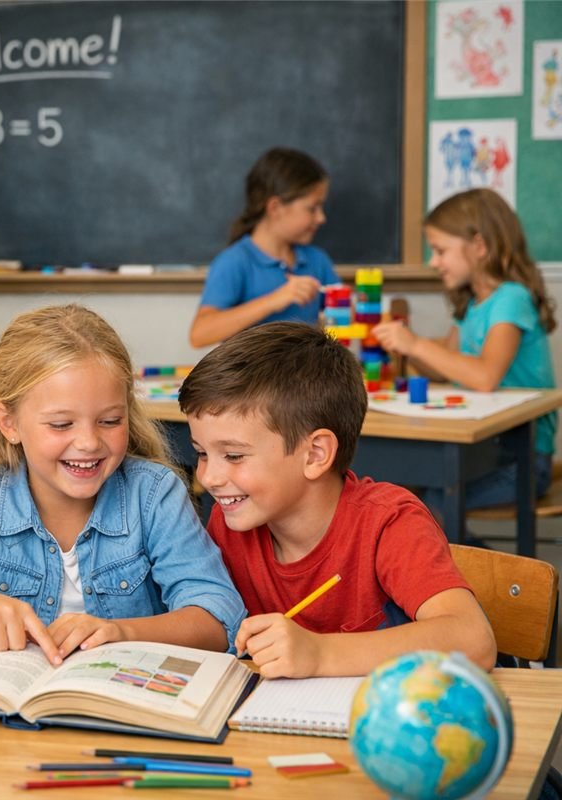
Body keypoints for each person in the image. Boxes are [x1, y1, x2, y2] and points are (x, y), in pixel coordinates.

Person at [0, 305, 245, 664]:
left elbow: (218, 617)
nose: (89, 442)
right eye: (61, 424)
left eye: (110, 421)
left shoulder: (154, 493)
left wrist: (122, 632)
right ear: (8, 423)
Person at [179, 322, 496, 678]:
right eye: (201, 453)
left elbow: (474, 640)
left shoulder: (387, 522)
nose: (208, 477)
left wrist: (318, 653)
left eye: (234, 456)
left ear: (315, 454)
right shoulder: (231, 522)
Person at [372, 188, 557, 510]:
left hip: (523, 460)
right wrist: (406, 346)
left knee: (434, 506)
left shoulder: (511, 299)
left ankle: (470, 548)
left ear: (479, 246)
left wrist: (415, 343)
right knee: (407, 492)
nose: (434, 262)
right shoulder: (472, 304)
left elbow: (485, 377)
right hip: (484, 450)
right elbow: (442, 368)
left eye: (440, 251)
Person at [189, 147, 339, 348]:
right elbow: (199, 334)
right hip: (253, 370)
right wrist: (275, 300)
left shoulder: (317, 260)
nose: (321, 218)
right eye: (312, 208)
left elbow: (341, 319)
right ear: (275, 207)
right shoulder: (235, 261)